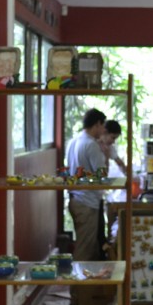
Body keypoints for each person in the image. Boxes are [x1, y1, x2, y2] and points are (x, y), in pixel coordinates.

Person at [65, 108, 108, 262]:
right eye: (103, 126)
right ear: (96, 124)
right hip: (88, 201)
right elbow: (102, 175)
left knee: (84, 244)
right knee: (86, 249)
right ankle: (80, 285)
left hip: (75, 199)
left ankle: (84, 284)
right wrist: (106, 155)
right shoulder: (92, 145)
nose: (103, 130)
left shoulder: (73, 142)